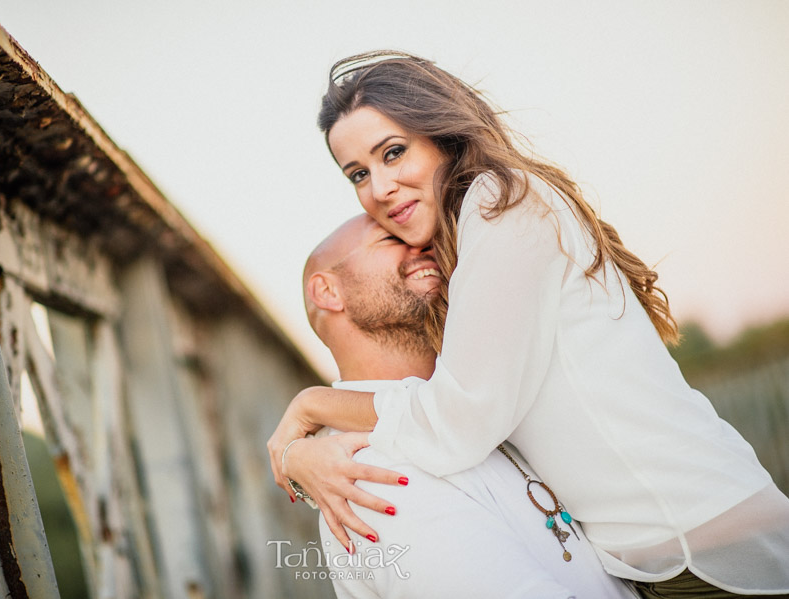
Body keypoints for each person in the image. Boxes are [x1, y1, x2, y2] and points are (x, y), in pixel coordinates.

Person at [268, 51, 789, 597]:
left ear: (441, 133)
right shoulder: (469, 244)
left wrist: (312, 408)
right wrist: (302, 457)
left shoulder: (504, 206)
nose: (379, 187)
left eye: (393, 153)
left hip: (699, 545)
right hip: (660, 552)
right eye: (358, 174)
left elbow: (456, 421)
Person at [292, 212, 635, 598]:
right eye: (390, 239)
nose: (421, 242)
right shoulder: (369, 476)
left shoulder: (476, 401)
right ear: (327, 292)